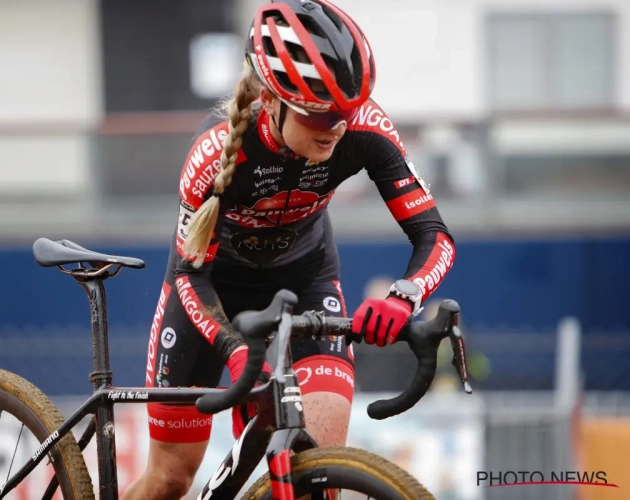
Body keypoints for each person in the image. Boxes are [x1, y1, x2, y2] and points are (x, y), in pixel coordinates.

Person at [121, 1, 456, 498]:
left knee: (318, 481)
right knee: (170, 480)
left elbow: (435, 235)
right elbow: (191, 275)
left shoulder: (364, 129)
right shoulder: (215, 154)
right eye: (320, 115)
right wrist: (231, 347)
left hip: (304, 284)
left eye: (346, 113)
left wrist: (403, 296)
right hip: (211, 298)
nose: (337, 128)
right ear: (272, 100)